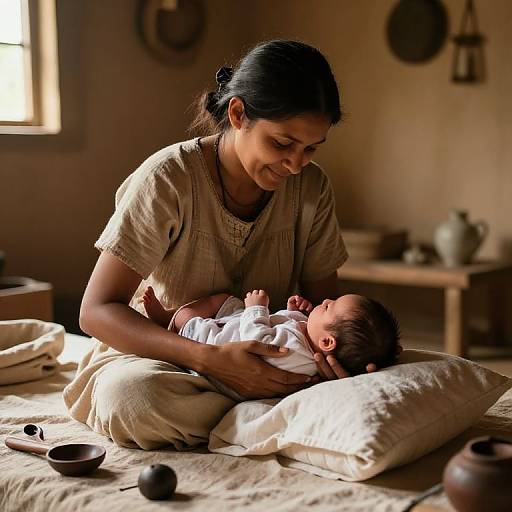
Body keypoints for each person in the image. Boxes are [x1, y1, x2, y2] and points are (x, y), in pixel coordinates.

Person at [63, 39, 379, 451]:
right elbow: (96, 312)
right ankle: (267, 419)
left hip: (267, 364)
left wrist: (330, 367)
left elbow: (324, 306)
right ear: (237, 114)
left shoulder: (312, 187)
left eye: (311, 148)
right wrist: (207, 359)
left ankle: (258, 414)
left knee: (384, 368)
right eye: (282, 144)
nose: (296, 164)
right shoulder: (168, 179)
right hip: (165, 357)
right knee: (135, 398)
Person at [141, 286, 400, 399]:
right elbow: (285, 325)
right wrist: (293, 310)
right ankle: (169, 318)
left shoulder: (296, 352)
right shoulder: (309, 341)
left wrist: (257, 309)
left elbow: (258, 342)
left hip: (213, 342)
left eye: (329, 307)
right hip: (234, 324)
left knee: (189, 317)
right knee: (222, 299)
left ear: (328, 341)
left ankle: (167, 320)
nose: (326, 301)